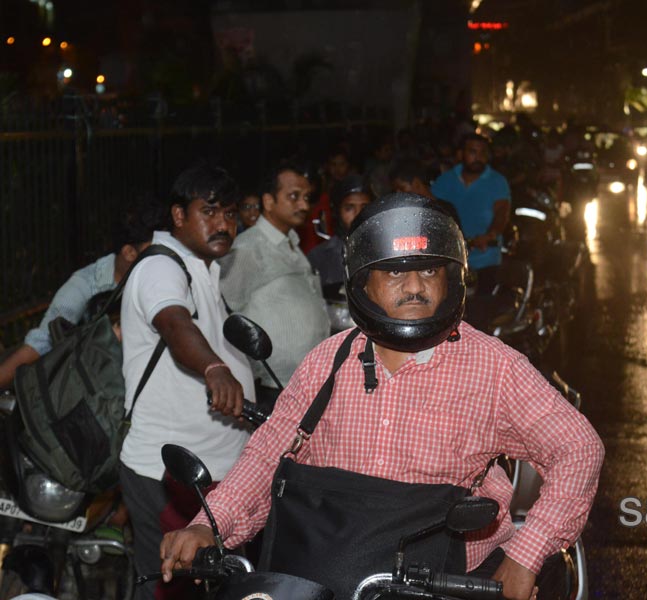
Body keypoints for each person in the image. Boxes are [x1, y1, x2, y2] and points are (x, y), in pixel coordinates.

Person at [159, 193, 604, 600]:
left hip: (442, 584)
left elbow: (579, 449)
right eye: (393, 271)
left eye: (428, 269)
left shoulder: (495, 368)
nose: (414, 286)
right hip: (318, 580)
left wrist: (526, 553)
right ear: (364, 282)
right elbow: (267, 455)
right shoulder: (327, 362)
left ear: (451, 276)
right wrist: (208, 525)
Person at [119, 164, 256, 600]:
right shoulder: (160, 268)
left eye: (231, 214)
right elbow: (176, 325)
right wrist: (216, 369)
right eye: (209, 211)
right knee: (169, 587)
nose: (223, 224)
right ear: (178, 215)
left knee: (210, 586)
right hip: (169, 471)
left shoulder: (202, 266)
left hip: (215, 469)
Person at [0, 197, 164, 391]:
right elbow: (42, 342)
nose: (166, 256)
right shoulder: (86, 284)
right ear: (129, 252)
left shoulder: (171, 276)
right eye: (157, 249)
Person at [221, 159, 331, 408]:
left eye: (306, 197)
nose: (304, 204)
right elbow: (224, 311)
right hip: (272, 387)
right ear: (268, 201)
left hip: (305, 383)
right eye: (294, 196)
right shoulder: (248, 248)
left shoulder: (291, 242)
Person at [431, 133, 511, 294]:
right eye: (473, 152)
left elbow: (502, 213)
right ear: (461, 154)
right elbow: (433, 211)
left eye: (482, 153)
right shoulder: (445, 180)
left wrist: (490, 235)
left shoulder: (497, 181)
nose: (478, 157)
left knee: (483, 310)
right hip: (451, 258)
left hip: (485, 258)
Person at [306, 174, 372, 297]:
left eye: (365, 207)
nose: (358, 215)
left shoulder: (385, 253)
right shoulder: (319, 257)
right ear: (337, 212)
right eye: (349, 208)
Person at [296, 148, 357, 254]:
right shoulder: (319, 198)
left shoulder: (356, 196)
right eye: (334, 164)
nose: (337, 169)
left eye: (341, 164)